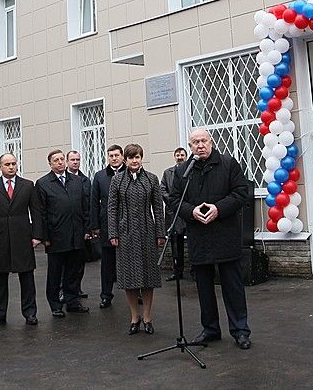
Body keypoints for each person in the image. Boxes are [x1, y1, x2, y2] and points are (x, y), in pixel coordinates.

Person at [168, 129, 252, 350]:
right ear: (190, 145)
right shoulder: (184, 171)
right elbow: (175, 200)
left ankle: (240, 330)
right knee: (204, 287)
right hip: (199, 236)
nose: (200, 145)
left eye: (204, 141)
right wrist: (191, 211)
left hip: (225, 233)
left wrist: (219, 208)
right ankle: (211, 329)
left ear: (211, 142)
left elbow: (241, 192)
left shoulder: (228, 163)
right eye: (195, 142)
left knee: (232, 287)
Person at [0, 153, 44, 327]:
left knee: (27, 277)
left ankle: (30, 313)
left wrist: (37, 235)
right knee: (0, 279)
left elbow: (36, 211)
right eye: (7, 164)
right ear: (0, 167)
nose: (11, 167)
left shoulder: (27, 185)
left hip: (22, 237)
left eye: (14, 163)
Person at [108, 143, 165, 334]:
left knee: (148, 277)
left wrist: (160, 233)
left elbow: (158, 208)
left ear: (141, 158)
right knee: (128, 277)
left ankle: (147, 317)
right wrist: (113, 233)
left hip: (147, 232)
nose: (134, 160)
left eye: (138, 157)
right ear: (125, 159)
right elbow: (112, 209)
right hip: (125, 234)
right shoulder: (117, 181)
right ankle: (134, 317)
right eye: (131, 157)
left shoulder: (151, 179)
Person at [36, 149, 91, 317]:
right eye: (56, 160)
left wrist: (87, 229)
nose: (60, 162)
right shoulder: (43, 183)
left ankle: (73, 301)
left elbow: (85, 206)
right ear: (50, 164)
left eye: (61, 159)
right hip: (56, 236)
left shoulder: (76, 181)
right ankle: (55, 305)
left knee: (73, 271)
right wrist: (44, 236)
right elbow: (41, 212)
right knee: (55, 273)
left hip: (76, 234)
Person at [90, 144, 124, 308]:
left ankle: (137, 291)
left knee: (131, 260)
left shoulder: (129, 173)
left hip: (127, 223)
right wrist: (94, 225)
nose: (114, 158)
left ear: (122, 156)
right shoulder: (100, 176)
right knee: (107, 262)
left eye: (117, 155)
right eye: (111, 156)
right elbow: (94, 202)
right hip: (106, 225)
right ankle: (106, 295)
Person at [65, 149, 91, 301]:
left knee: (79, 262)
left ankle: (77, 288)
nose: (75, 162)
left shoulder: (85, 180)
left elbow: (87, 204)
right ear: (68, 162)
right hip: (65, 227)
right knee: (65, 262)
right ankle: (64, 289)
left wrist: (88, 227)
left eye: (78, 160)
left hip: (81, 226)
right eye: (73, 160)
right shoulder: (64, 179)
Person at [160, 147, 189, 281]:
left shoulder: (191, 170)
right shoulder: (168, 173)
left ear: (186, 156)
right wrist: (172, 201)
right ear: (174, 157)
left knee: (192, 240)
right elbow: (162, 189)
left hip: (188, 211)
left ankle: (195, 270)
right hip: (173, 212)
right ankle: (177, 271)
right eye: (177, 155)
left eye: (182, 155)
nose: (179, 157)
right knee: (175, 243)